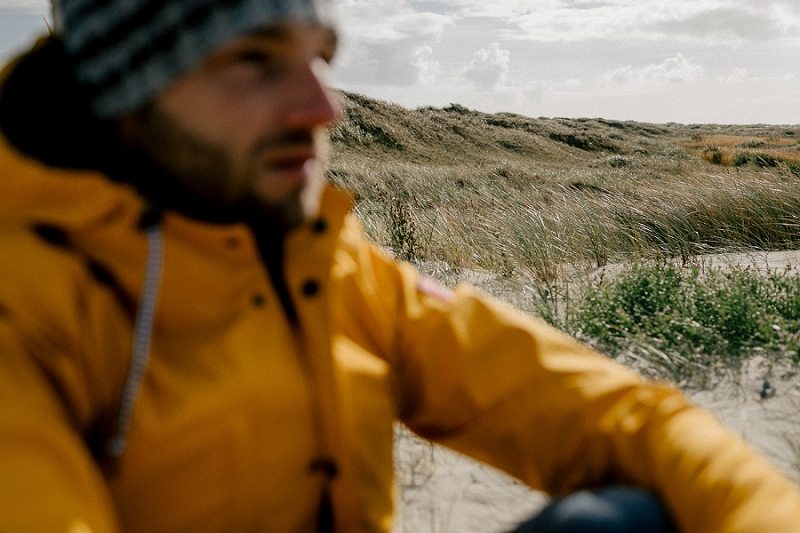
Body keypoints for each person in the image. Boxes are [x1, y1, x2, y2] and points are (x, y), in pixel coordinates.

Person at [0, 1, 798, 532]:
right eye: (253, 59)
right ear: (124, 90)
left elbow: (609, 414)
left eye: (320, 59)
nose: (324, 108)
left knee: (623, 521)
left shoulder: (318, 258)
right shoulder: (26, 308)